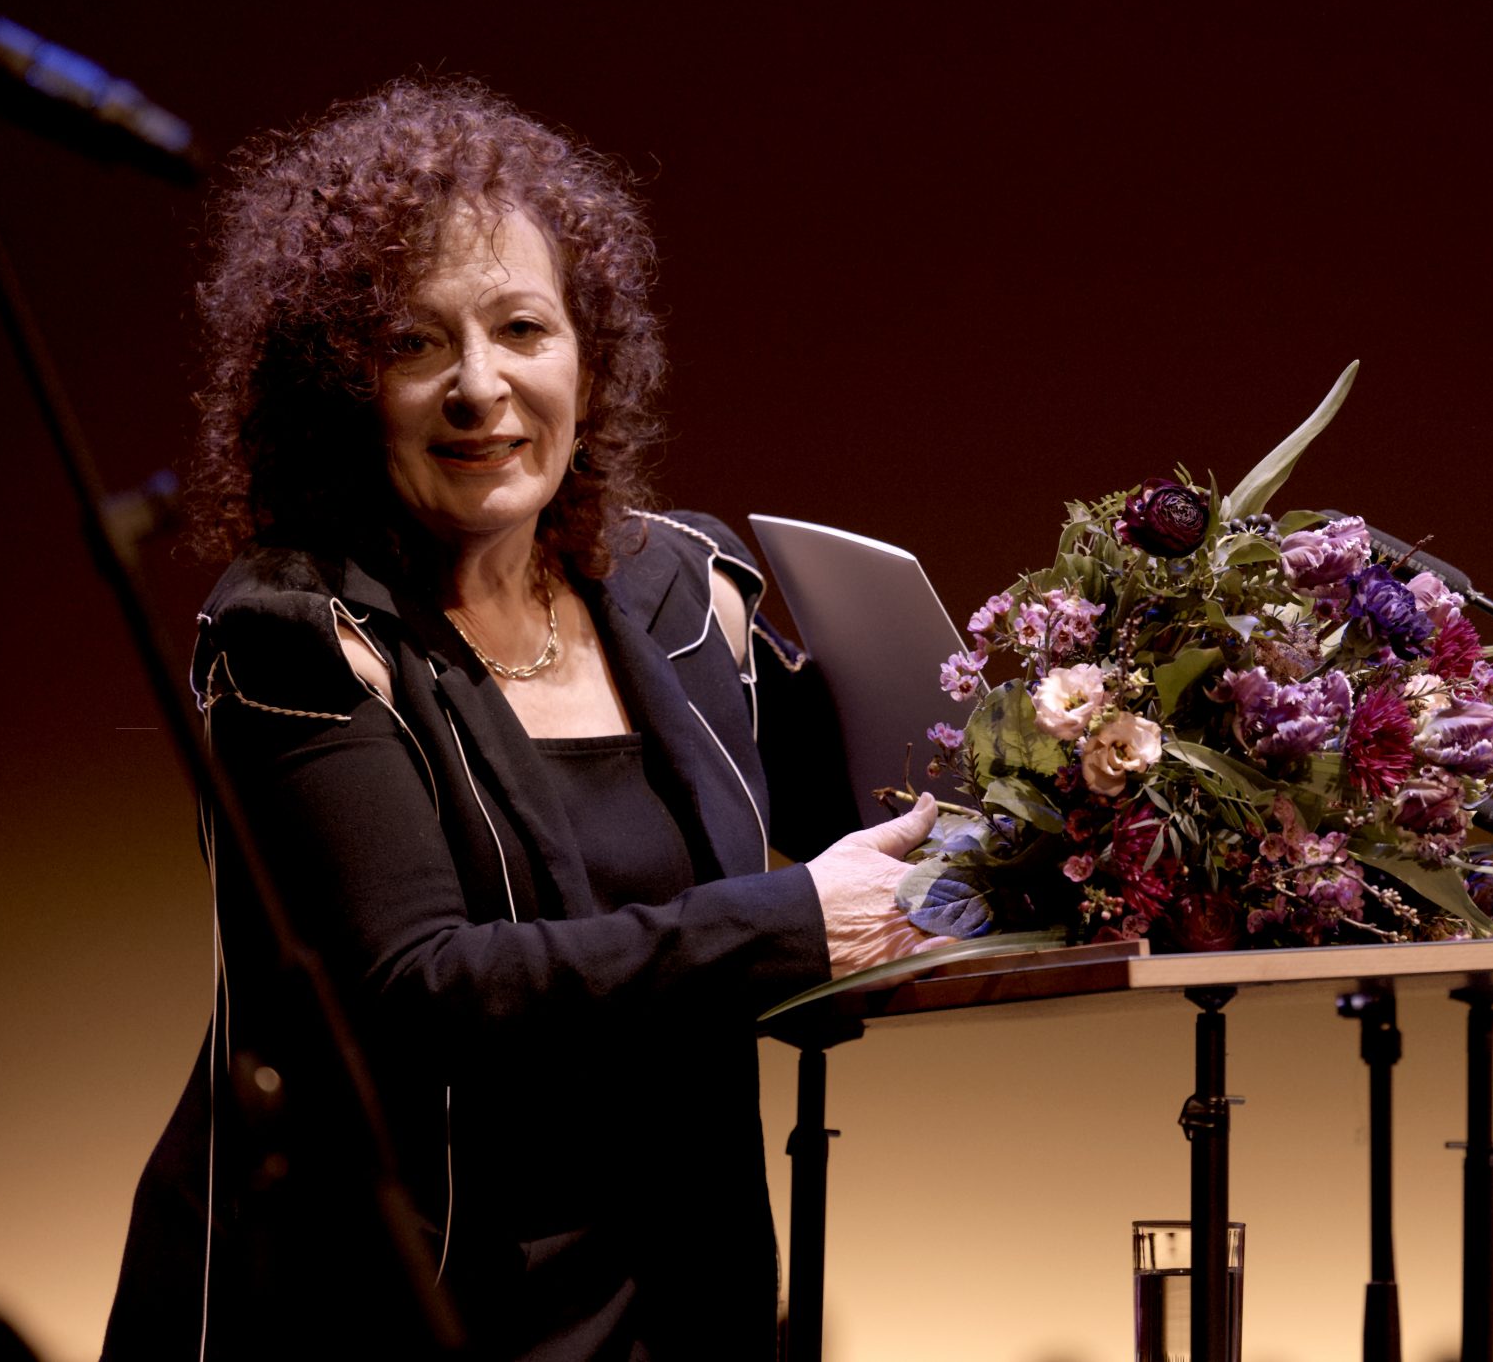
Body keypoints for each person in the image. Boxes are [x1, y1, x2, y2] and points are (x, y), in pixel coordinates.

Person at [101, 77, 935, 1361]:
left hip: (679, 1285)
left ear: (586, 356)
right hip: (401, 1304)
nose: (478, 387)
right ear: (335, 385)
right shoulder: (298, 633)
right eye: (411, 345)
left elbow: (901, 816)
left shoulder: (678, 592)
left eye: (522, 329)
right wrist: (786, 925)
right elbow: (413, 988)